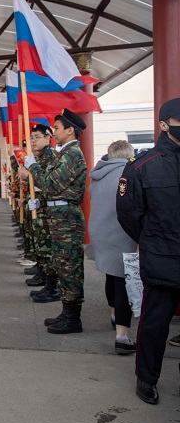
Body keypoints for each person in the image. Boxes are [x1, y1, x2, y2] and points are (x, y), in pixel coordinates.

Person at [117, 97, 180, 404]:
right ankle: (146, 378)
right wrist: (152, 241)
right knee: (155, 325)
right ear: (164, 125)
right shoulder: (142, 166)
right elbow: (128, 213)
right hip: (161, 259)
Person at [20, 108, 87, 334]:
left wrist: (33, 167)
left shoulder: (72, 154)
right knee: (62, 264)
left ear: (70, 130)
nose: (54, 131)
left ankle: (73, 317)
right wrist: (40, 202)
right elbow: (53, 189)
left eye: (57, 128)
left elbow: (51, 184)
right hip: (59, 215)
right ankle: (67, 312)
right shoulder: (65, 153)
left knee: (70, 266)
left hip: (67, 217)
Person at [88, 140, 138, 355]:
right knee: (124, 282)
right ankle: (122, 336)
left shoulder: (98, 174)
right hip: (122, 233)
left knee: (111, 275)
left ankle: (114, 313)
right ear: (129, 155)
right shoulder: (128, 174)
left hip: (100, 232)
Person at [22, 124, 58, 301]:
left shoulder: (51, 157)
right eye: (32, 138)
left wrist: (30, 173)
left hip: (48, 208)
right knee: (41, 244)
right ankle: (44, 276)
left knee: (47, 247)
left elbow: (48, 183)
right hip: (40, 205)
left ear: (48, 138)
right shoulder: (40, 157)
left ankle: (52, 287)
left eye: (37, 137)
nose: (33, 141)